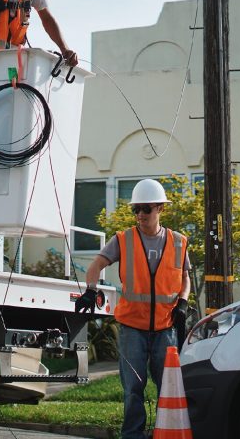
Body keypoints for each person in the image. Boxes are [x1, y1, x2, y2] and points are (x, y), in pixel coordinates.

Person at [76, 178, 191, 439]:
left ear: (160, 208)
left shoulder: (178, 242)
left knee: (168, 387)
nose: (140, 214)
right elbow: (95, 266)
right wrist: (91, 290)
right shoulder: (123, 240)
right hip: (132, 329)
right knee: (133, 389)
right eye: (135, 209)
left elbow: (185, 278)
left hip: (165, 329)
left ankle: (167, 433)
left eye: (146, 209)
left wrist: (182, 303)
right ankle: (132, 435)